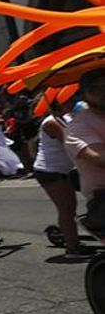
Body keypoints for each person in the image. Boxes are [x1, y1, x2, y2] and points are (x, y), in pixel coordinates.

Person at [33, 97, 88, 258]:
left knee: (72, 206)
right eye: (68, 100)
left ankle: (74, 239)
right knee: (67, 208)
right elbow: (71, 142)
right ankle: (72, 249)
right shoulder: (51, 122)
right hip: (49, 171)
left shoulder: (67, 117)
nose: (72, 102)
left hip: (64, 170)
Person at [64, 68, 105, 233]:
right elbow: (100, 158)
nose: (103, 92)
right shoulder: (78, 126)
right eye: (96, 89)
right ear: (83, 95)